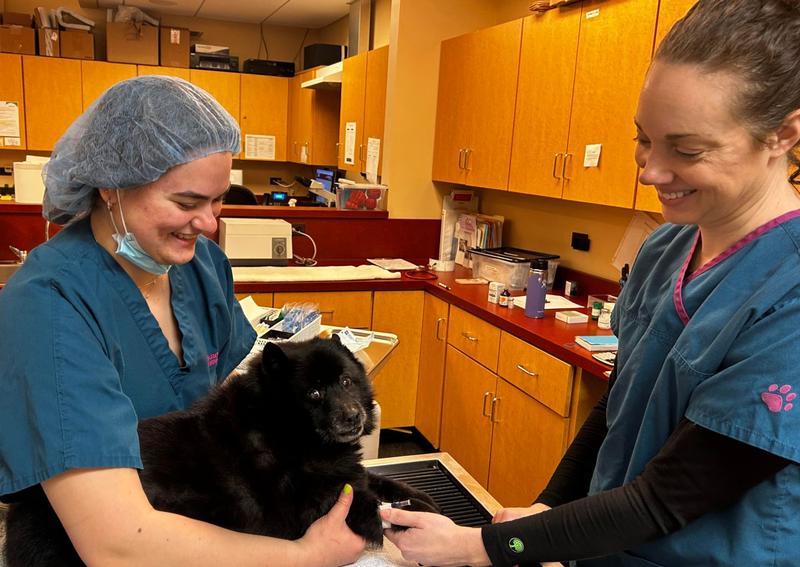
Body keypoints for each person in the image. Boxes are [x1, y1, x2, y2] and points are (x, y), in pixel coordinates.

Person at [381, 0, 800, 564]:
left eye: (687, 149)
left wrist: (488, 547)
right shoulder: (665, 248)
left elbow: (667, 500)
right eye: (644, 138)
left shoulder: (788, 291)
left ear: (783, 135)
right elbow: (617, 405)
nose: (650, 169)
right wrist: (548, 506)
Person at [0, 76, 365, 566]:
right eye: (187, 203)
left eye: (217, 201)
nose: (209, 223)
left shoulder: (201, 267)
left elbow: (227, 414)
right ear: (111, 188)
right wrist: (306, 555)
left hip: (197, 527)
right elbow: (114, 544)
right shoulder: (49, 305)